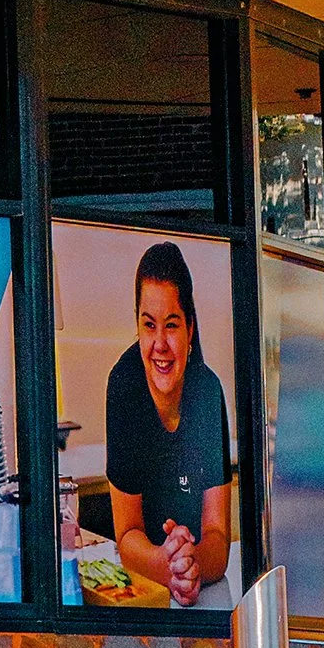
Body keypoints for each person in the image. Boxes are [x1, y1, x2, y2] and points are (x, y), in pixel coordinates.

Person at [103, 243, 234, 607]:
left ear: (190, 329)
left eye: (172, 325)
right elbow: (127, 534)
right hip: (147, 593)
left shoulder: (208, 393)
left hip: (202, 592)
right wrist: (168, 566)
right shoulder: (124, 388)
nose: (159, 343)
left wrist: (192, 563)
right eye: (149, 326)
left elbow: (217, 537)